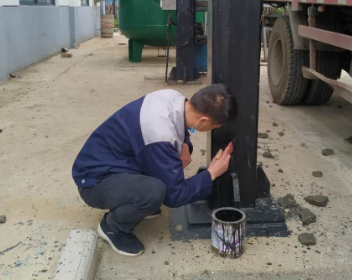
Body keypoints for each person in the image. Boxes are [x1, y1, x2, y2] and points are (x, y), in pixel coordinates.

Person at [72, 84, 237, 257]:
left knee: (163, 177)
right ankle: (113, 227)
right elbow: (174, 196)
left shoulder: (172, 97)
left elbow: (179, 126)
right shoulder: (158, 134)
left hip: (113, 160)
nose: (214, 130)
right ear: (202, 121)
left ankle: (137, 202)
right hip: (94, 181)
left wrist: (185, 144)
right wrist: (211, 173)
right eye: (215, 126)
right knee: (155, 192)